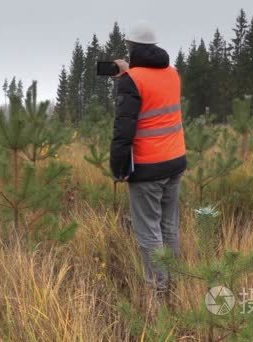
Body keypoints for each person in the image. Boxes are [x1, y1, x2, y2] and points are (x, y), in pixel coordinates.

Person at [109, 23, 187, 300]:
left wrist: (118, 169)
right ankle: (174, 282)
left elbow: (124, 129)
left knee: (148, 232)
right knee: (168, 226)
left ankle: (158, 291)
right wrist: (127, 78)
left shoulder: (133, 80)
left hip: (147, 167)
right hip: (175, 160)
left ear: (131, 48)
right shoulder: (173, 73)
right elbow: (154, 97)